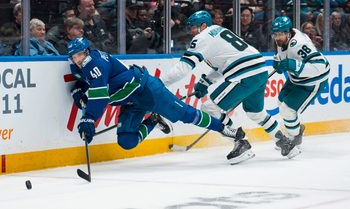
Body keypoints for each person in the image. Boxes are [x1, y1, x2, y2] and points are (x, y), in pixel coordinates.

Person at [67, 37, 244, 163]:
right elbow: (91, 82)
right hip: (130, 102)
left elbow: (100, 96)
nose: (77, 60)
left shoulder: (95, 63)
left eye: (80, 55)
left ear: (87, 52)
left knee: (186, 114)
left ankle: (224, 128)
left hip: (147, 90)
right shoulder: (86, 65)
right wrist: (79, 90)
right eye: (74, 57)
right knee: (127, 141)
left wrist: (89, 118)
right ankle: (153, 120)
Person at [160, 10, 300, 163]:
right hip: (259, 70)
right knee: (255, 113)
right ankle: (286, 143)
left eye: (194, 27)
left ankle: (241, 142)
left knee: (208, 108)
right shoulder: (220, 31)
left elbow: (182, 68)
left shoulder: (203, 37)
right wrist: (205, 82)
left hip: (244, 74)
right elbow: (224, 63)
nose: (192, 31)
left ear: (204, 25)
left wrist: (159, 83)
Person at [271, 16, 330, 149]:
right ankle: (295, 129)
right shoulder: (284, 37)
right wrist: (279, 61)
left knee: (288, 110)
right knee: (281, 102)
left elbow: (320, 66)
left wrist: (293, 65)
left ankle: (295, 137)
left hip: (312, 81)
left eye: (280, 34)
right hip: (296, 78)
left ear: (288, 32)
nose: (277, 37)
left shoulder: (299, 44)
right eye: (275, 34)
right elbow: (283, 54)